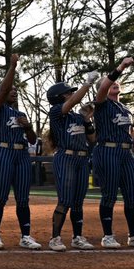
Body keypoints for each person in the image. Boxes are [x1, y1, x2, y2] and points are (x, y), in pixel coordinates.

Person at [91, 56, 134, 248]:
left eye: (116, 82)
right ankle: (108, 236)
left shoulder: (125, 108)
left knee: (132, 196)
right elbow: (103, 87)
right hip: (107, 151)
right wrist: (121, 67)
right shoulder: (101, 103)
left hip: (126, 154)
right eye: (109, 82)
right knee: (109, 195)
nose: (114, 83)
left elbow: (130, 128)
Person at [0, 54, 42, 250]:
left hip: (22, 155)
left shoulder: (20, 114)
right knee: (1, 196)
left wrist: (28, 128)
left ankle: (25, 236)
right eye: (10, 89)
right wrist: (12, 66)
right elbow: (2, 90)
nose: (14, 91)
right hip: (4, 153)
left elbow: (33, 140)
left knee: (23, 199)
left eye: (16, 90)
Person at [45, 74, 99, 251]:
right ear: (59, 96)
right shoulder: (56, 112)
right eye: (68, 93)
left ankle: (77, 237)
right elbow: (74, 101)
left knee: (78, 201)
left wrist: (87, 119)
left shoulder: (76, 117)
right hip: (65, 157)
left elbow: (92, 138)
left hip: (82, 158)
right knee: (65, 199)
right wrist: (88, 84)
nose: (71, 95)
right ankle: (55, 238)